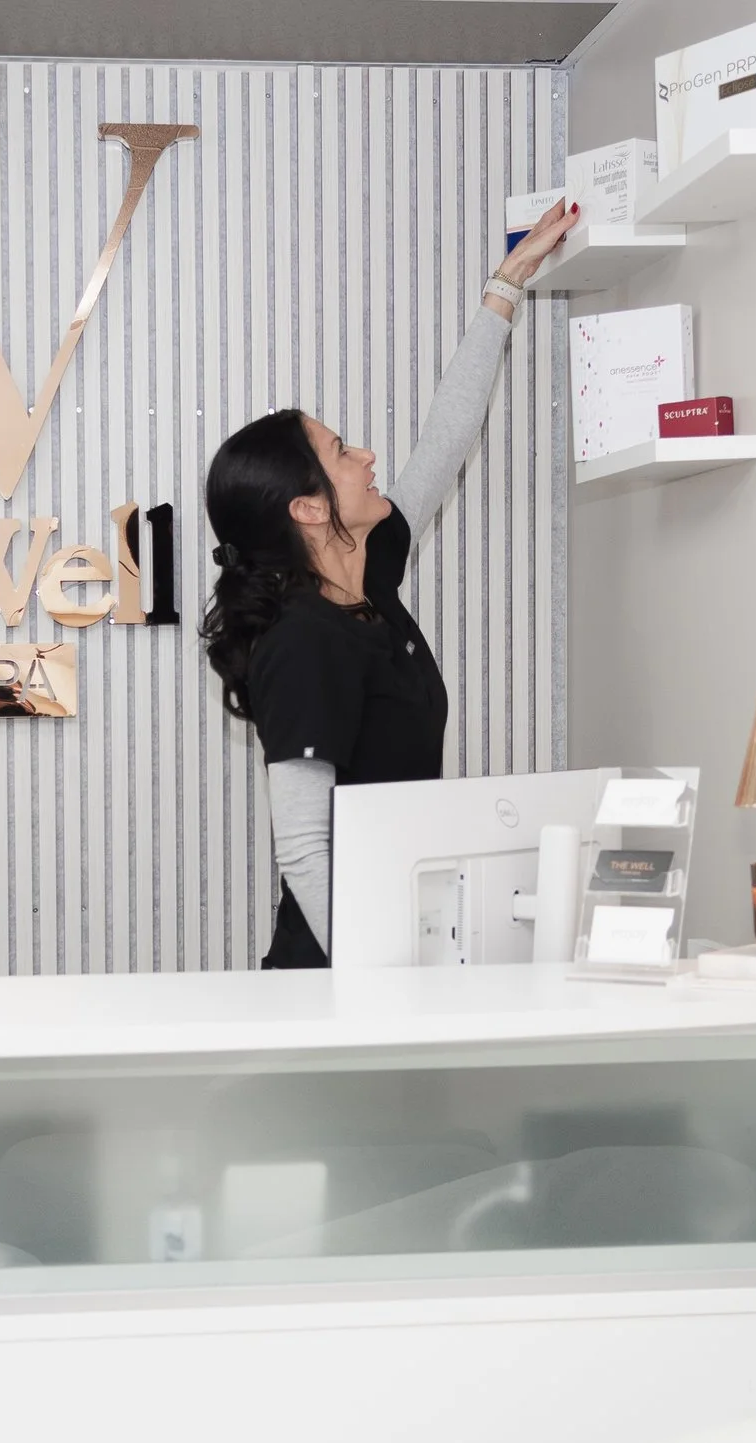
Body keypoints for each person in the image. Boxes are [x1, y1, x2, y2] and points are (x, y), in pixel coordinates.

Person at [201, 198, 579, 969]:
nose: (368, 456)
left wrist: (504, 288)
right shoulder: (301, 640)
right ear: (308, 508)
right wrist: (379, 986)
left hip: (402, 957)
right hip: (335, 982)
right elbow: (305, 847)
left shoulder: (366, 582)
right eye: (341, 451)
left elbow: (445, 441)